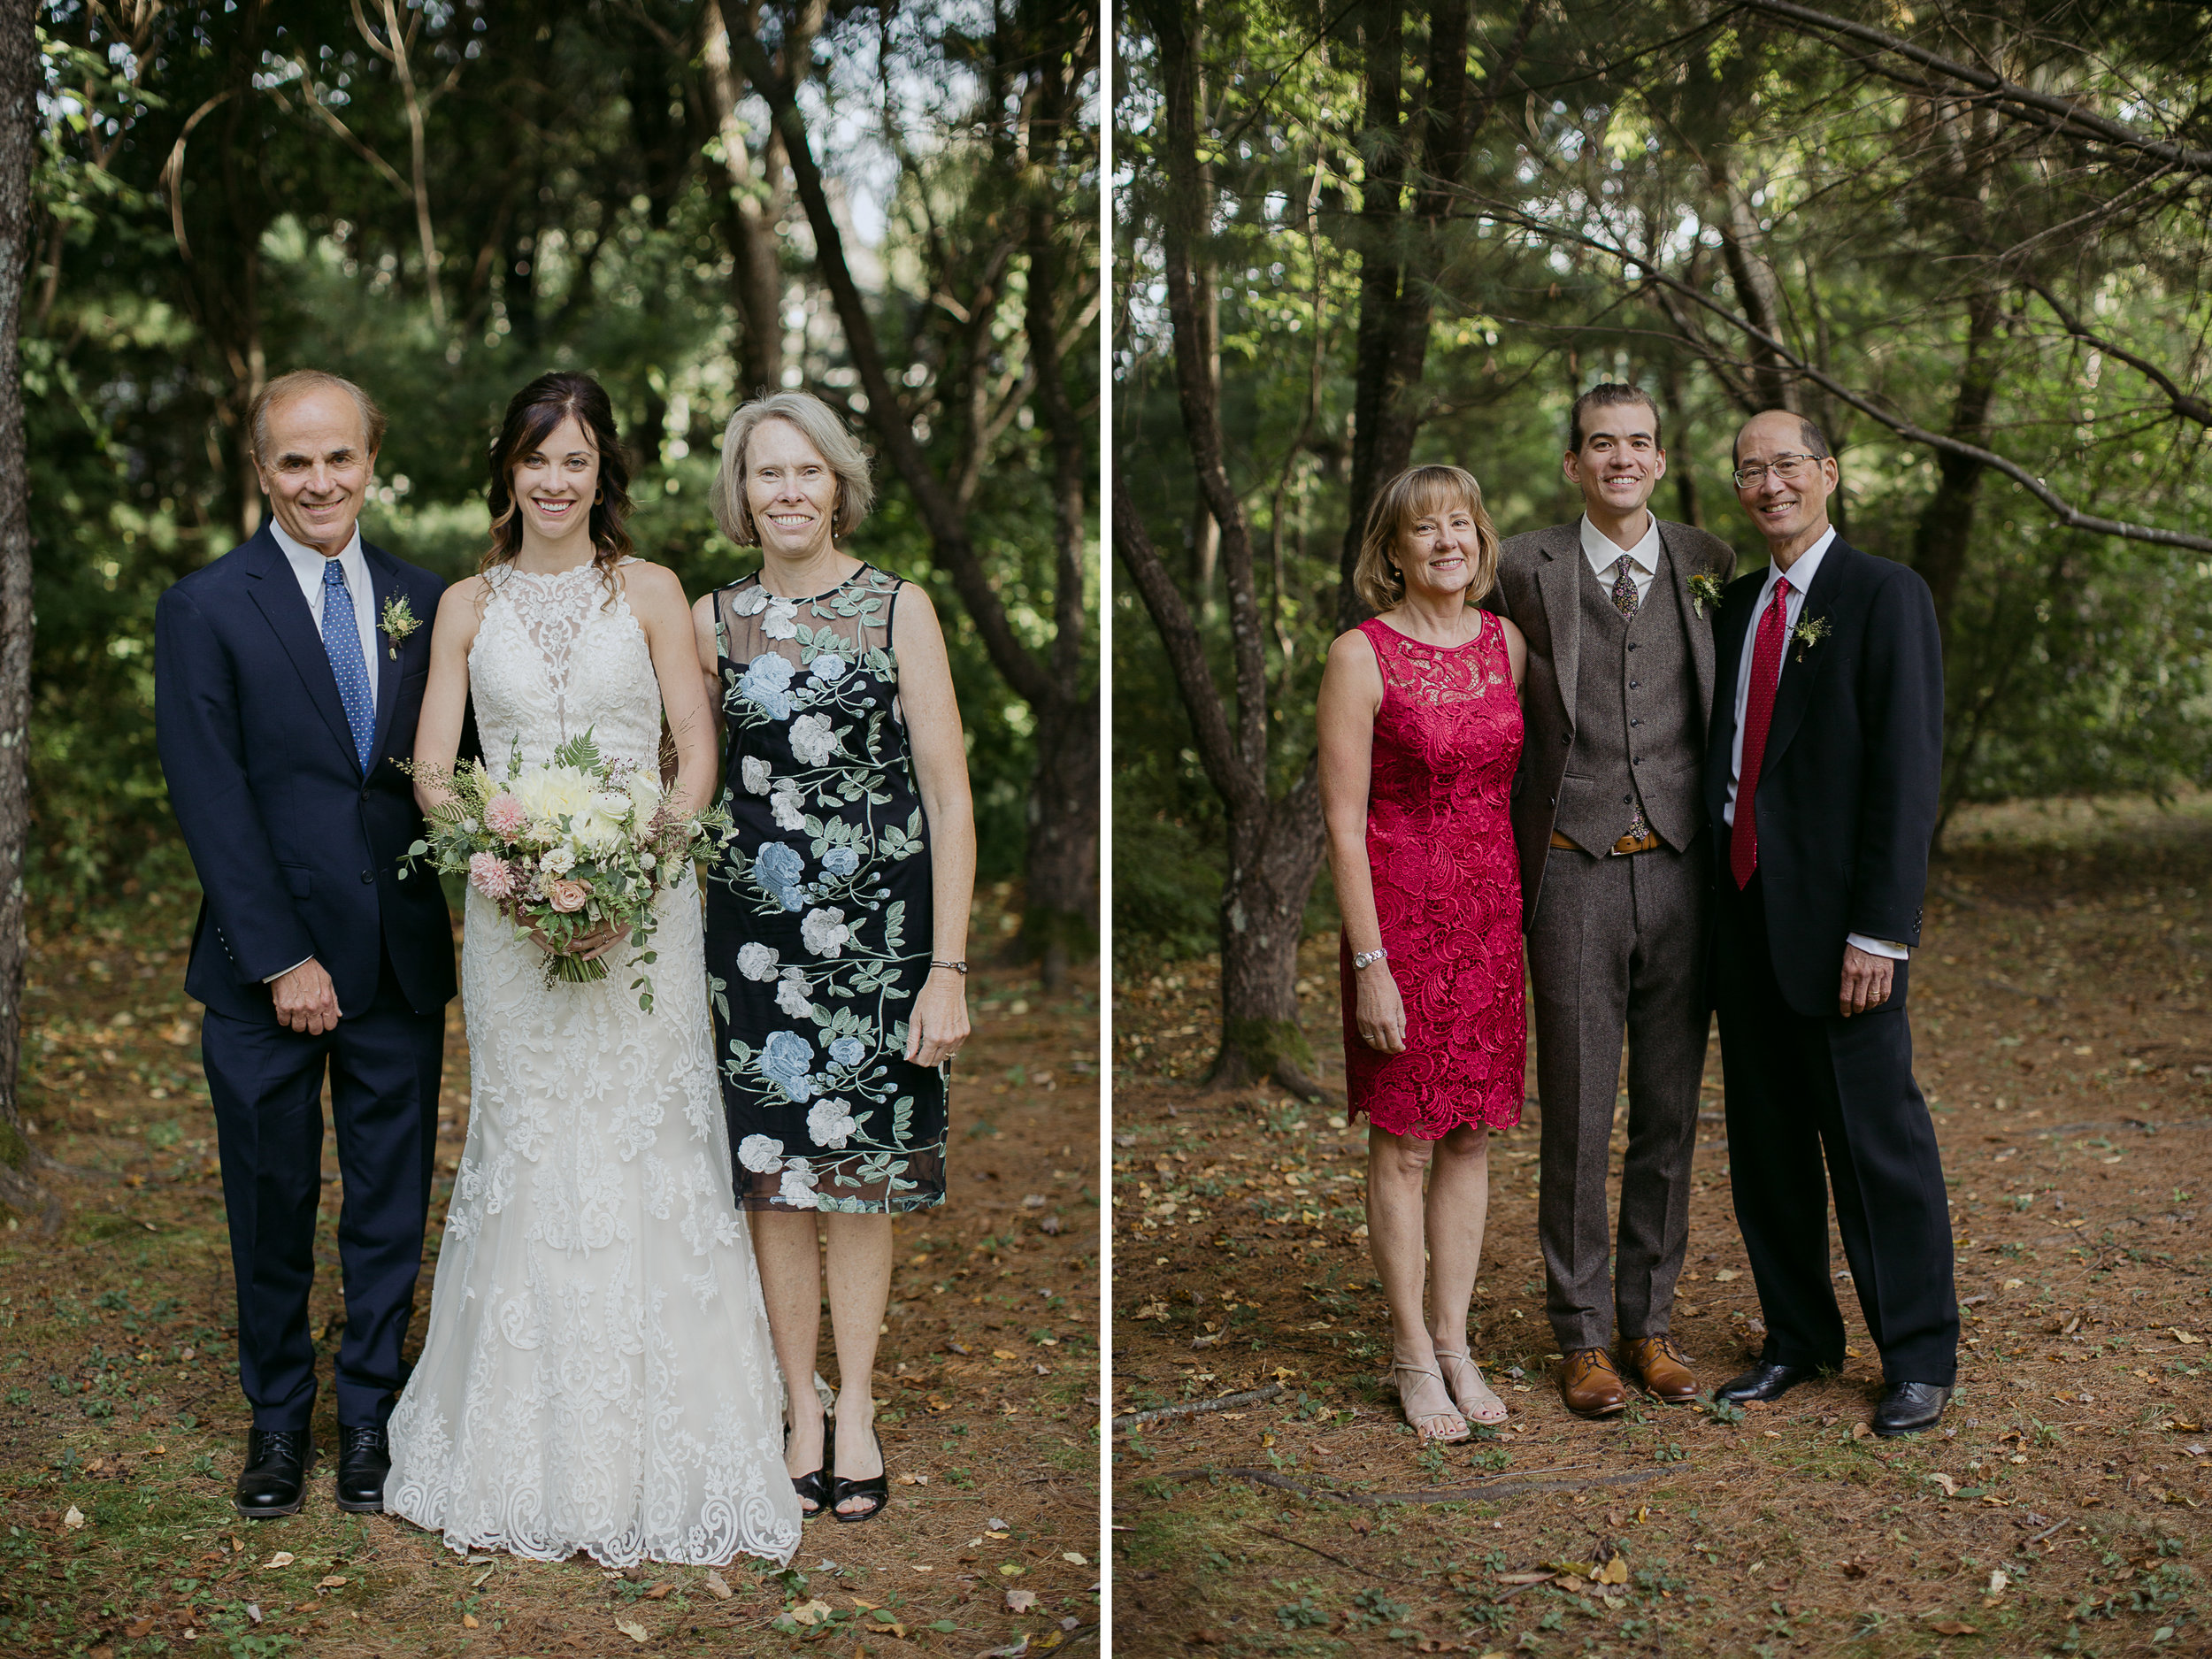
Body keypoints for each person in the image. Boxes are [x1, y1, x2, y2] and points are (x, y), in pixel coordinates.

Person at [383, 373, 802, 1566]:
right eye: (536, 458)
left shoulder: (654, 591)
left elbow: (694, 748)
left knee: (648, 1139)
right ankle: (516, 1442)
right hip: (510, 920)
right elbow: (432, 771)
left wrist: (636, 877)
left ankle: (667, 1441)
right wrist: (514, 874)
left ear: (602, 470)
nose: (556, 479)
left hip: (648, 917)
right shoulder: (465, 603)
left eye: (576, 459)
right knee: (532, 1139)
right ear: (508, 470)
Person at [154, 370, 455, 1519]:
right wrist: (282, 956)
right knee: (271, 1197)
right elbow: (211, 795)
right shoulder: (207, 605)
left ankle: (371, 1407)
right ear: (261, 468)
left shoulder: (429, 600)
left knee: (388, 1197)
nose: (319, 480)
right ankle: (279, 1413)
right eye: (295, 461)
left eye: (340, 458)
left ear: (372, 461)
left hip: (399, 958)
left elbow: (448, 773)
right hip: (259, 967)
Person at [693, 391, 974, 1521]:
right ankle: (796, 1406)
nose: (790, 493)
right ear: (742, 493)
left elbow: (950, 798)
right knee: (772, 1182)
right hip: (753, 946)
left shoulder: (898, 608)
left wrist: (946, 967)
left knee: (862, 1183)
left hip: (882, 948)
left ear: (839, 484)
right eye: (768, 475)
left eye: (808, 473)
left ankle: (855, 1405)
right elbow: (690, 785)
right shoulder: (712, 621)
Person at [1705, 409, 1956, 1436]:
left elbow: (1906, 772)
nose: (1769, 484)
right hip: (1740, 916)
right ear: (1736, 492)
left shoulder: (1883, 594)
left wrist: (1881, 930)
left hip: (1842, 930)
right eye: (1750, 471)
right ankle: (1797, 1339)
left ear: (1828, 474)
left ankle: (1917, 1356)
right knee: (1766, 1146)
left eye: (1786, 466)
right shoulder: (1729, 608)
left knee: (1873, 1144)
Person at [1491, 386, 1736, 1419]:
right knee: (1578, 1113)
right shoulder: (1517, 567)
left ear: (1661, 459)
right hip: (1571, 869)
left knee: (1670, 1114)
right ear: (1572, 464)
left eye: (1638, 443)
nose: (1620, 459)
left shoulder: (1710, 562)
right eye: (1601, 444)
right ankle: (1580, 1335)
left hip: (1685, 871)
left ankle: (1650, 1324)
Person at [1317, 464, 1528, 1443]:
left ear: (1481, 540)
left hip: (1490, 926)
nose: (1446, 541)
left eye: (1460, 524)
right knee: (1403, 1142)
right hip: (1398, 927)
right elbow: (1341, 822)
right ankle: (1409, 1352)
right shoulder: (1360, 657)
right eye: (1423, 529)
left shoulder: (1507, 647)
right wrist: (1369, 963)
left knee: (1473, 1135)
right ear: (1392, 551)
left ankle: (1455, 1340)